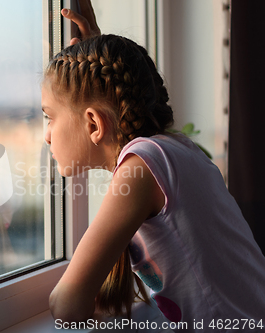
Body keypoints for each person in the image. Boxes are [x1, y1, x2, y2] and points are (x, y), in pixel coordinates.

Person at [46, 2, 265, 331]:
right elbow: (122, 101)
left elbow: (66, 304)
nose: (46, 135)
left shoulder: (143, 168)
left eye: (49, 117)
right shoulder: (175, 149)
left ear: (93, 123)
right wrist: (95, 54)